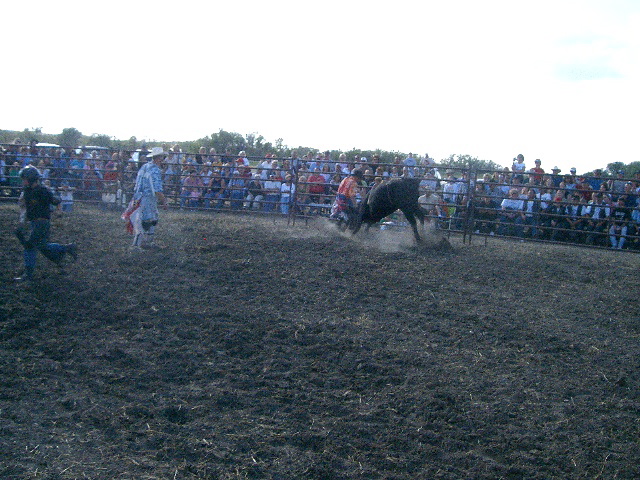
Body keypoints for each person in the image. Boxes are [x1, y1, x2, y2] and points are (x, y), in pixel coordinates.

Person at [13, 165, 77, 282]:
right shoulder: (29, 191)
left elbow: (56, 200)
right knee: (42, 246)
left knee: (30, 246)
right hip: (36, 222)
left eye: (24, 179)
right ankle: (66, 248)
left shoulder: (41, 191)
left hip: (41, 223)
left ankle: (28, 274)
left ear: (30, 179)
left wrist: (58, 210)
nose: (23, 182)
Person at [126, 146, 168, 249]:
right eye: (162, 157)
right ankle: (138, 244)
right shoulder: (155, 170)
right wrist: (164, 201)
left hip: (139, 196)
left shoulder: (145, 166)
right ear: (159, 158)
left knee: (148, 218)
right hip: (148, 198)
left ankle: (146, 242)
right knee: (146, 220)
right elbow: (157, 189)